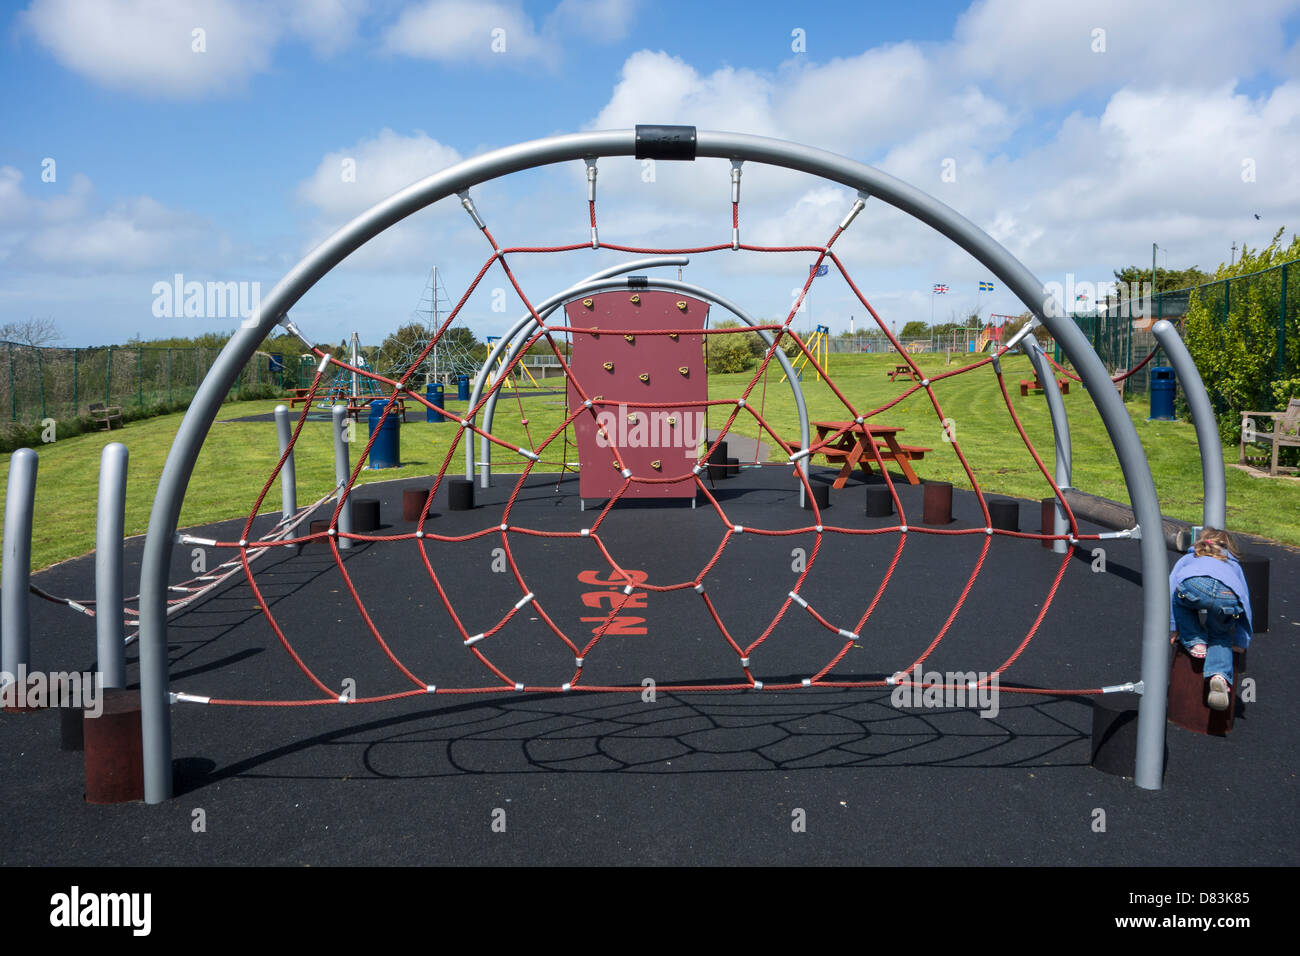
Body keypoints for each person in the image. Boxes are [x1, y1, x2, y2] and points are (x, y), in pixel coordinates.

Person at [1168, 528, 1253, 711]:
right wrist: (1241, 641)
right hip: (1227, 595)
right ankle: (1219, 676)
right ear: (1228, 547)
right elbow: (1245, 601)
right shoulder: (1233, 565)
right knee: (1221, 634)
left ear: (1200, 543)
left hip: (1195, 585)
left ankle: (1195, 641)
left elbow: (1171, 587)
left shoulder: (1189, 558)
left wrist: (1177, 627)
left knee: (1180, 601)